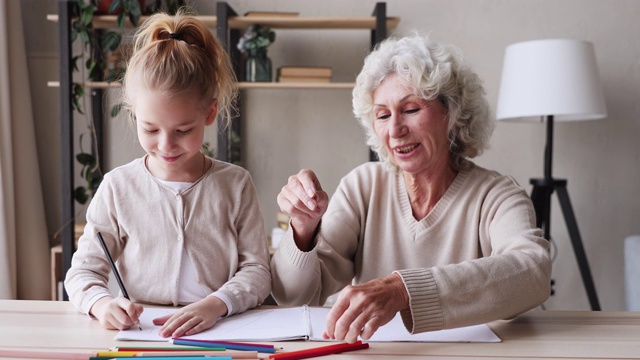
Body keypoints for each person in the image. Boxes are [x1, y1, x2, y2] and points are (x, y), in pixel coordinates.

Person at [270, 33, 552, 343]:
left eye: (411, 109)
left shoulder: (496, 195)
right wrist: (302, 228)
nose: (395, 130)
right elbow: (292, 296)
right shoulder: (363, 186)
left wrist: (404, 290)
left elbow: (532, 272)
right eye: (382, 115)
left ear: (452, 113)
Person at [64, 10, 271, 338]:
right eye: (150, 129)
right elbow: (82, 272)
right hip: (141, 334)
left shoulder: (236, 184)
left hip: (221, 331)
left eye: (183, 130)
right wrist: (102, 304)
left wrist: (216, 304)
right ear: (134, 115)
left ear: (210, 112)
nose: (166, 145)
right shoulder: (118, 187)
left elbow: (257, 271)